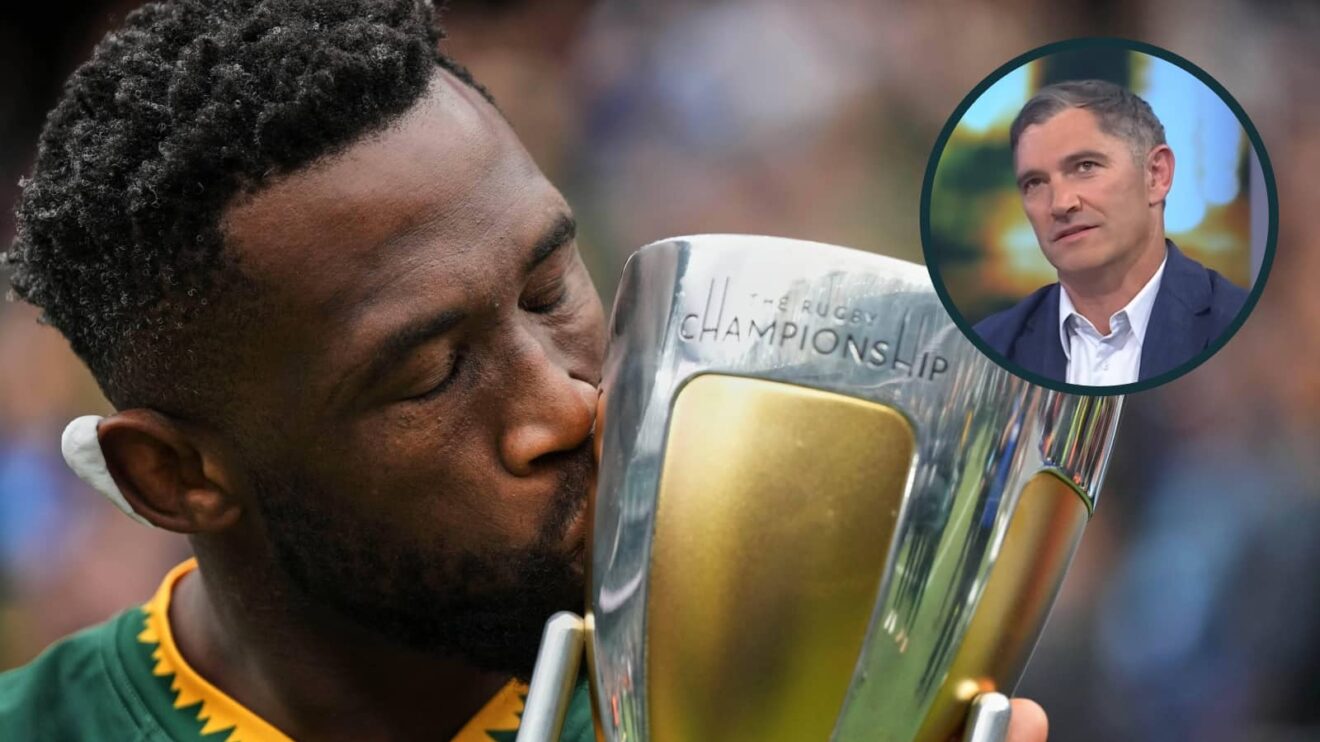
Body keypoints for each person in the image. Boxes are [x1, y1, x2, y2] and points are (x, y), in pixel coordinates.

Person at [0, 1, 1049, 740]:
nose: (570, 404)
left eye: (550, 291)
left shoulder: (803, 693)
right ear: (175, 477)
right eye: (430, 374)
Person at [974, 79, 1248, 387]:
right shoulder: (989, 346)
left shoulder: (1243, 329)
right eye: (1035, 183)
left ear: (1156, 175)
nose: (1061, 204)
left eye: (1085, 166)